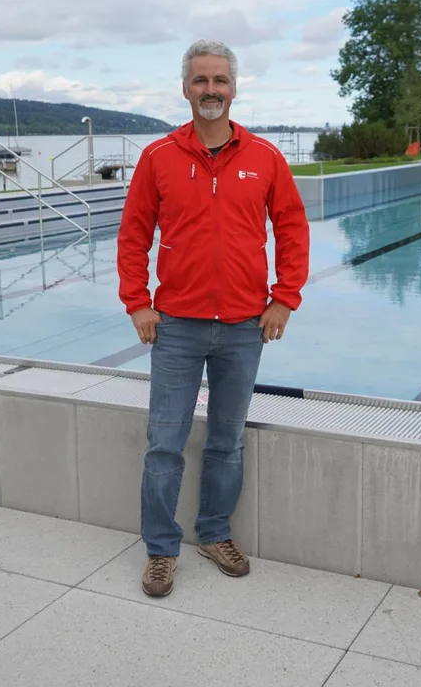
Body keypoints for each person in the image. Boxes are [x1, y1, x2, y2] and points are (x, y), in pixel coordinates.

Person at [116, 39, 310, 597]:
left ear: (233, 88)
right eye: (201, 81)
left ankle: (214, 532)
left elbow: (292, 229)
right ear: (185, 88)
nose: (210, 91)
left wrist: (284, 297)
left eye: (219, 81)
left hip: (246, 326)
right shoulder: (158, 157)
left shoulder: (265, 157)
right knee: (164, 443)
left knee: (226, 441)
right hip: (175, 325)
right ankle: (160, 548)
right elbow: (133, 235)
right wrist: (138, 301)